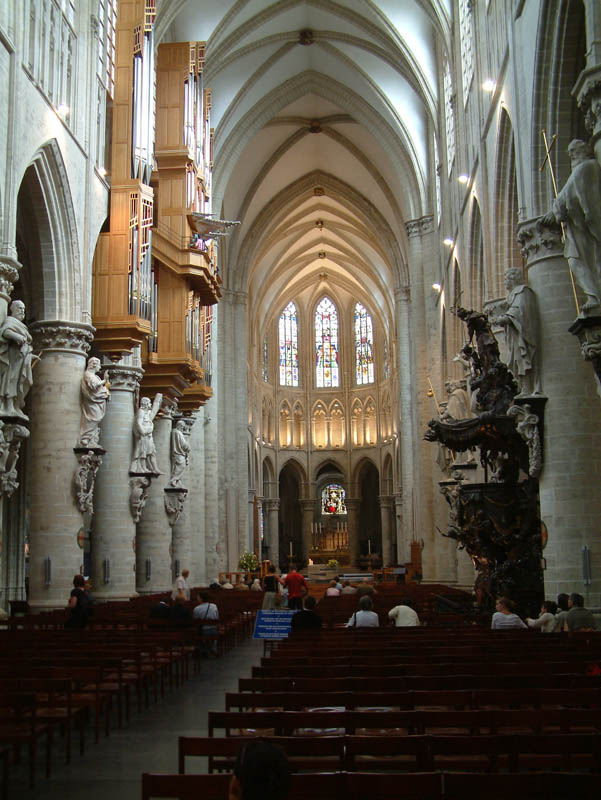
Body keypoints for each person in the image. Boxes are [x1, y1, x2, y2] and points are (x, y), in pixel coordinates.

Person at [543, 139, 601, 311]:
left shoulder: (586, 167)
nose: (571, 155)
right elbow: (567, 192)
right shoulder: (579, 170)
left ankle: (595, 296)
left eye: (574, 151)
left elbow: (569, 193)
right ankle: (594, 295)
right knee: (577, 261)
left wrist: (555, 211)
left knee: (585, 260)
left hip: (586, 226)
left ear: (583, 150)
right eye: (570, 152)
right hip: (578, 227)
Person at [491, 268, 541, 396]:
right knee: (517, 362)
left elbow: (519, 311)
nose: (505, 282)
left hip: (522, 335)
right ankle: (524, 388)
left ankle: (528, 388)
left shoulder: (523, 292)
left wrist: (503, 318)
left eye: (506, 279)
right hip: (515, 335)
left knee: (522, 360)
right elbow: (511, 309)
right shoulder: (514, 294)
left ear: (513, 279)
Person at [0, 300, 34, 418]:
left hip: (22, 359)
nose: (22, 311)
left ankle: (16, 405)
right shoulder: (10, 321)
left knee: (22, 381)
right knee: (10, 380)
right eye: (19, 308)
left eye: (23, 309)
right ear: (12, 309)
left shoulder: (23, 326)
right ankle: (8, 405)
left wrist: (30, 355)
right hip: (12, 359)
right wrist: (17, 336)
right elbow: (5, 332)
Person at [78, 356, 110, 447]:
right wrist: (105, 380)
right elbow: (94, 385)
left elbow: (99, 388)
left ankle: (91, 440)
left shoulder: (94, 376)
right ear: (94, 365)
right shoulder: (88, 374)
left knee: (96, 419)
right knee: (94, 418)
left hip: (97, 400)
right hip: (92, 400)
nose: (100, 367)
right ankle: (85, 437)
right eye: (99, 365)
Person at [130, 393, 163, 474]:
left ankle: (152, 468)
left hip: (148, 435)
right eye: (149, 403)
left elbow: (154, 411)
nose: (150, 404)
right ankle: (141, 467)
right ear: (145, 404)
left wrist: (158, 400)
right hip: (144, 434)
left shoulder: (147, 413)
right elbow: (138, 423)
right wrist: (142, 432)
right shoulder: (141, 412)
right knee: (142, 451)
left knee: (150, 451)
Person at [168, 419, 190, 487]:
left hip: (177, 454)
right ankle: (174, 480)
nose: (183, 429)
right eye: (182, 427)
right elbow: (184, 445)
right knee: (181, 466)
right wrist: (188, 447)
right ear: (179, 426)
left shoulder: (175, 432)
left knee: (178, 467)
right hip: (179, 453)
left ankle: (176, 480)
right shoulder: (178, 433)